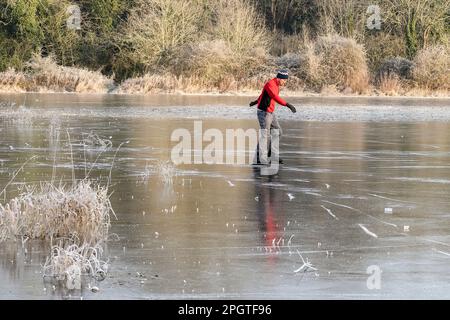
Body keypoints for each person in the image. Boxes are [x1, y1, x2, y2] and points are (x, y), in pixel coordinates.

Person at [249, 69, 297, 165]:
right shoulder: (270, 84)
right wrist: (287, 104)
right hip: (264, 112)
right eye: (284, 80)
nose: (285, 82)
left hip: (270, 113)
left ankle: (273, 155)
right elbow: (274, 96)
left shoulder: (276, 85)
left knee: (278, 132)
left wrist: (255, 102)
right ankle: (259, 158)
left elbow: (263, 95)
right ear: (279, 78)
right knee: (265, 135)